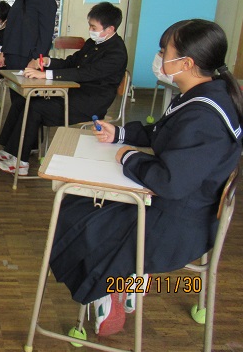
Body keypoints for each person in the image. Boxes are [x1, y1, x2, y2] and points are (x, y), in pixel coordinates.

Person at [49, 19, 242, 337]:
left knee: (76, 211)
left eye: (164, 51)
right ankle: (128, 279)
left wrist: (129, 156)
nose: (159, 57)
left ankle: (111, 285)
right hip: (179, 207)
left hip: (175, 225)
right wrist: (120, 134)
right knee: (81, 202)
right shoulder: (203, 94)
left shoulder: (204, 115)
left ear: (187, 63)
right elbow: (163, 133)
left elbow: (170, 182)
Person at [0, 2, 127, 176]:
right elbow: (72, 62)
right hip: (73, 93)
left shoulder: (116, 52)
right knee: (23, 101)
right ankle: (9, 150)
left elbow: (84, 73)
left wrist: (46, 75)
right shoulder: (93, 42)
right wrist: (47, 62)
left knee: (35, 107)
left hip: (90, 103)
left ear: (110, 29)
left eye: (94, 27)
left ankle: (21, 163)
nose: (90, 30)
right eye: (89, 25)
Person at [0, 0, 57, 72]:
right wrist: (3, 53)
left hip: (31, 58)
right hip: (12, 55)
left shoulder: (47, 2)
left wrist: (36, 59)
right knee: (12, 83)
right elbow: (11, 28)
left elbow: (45, 36)